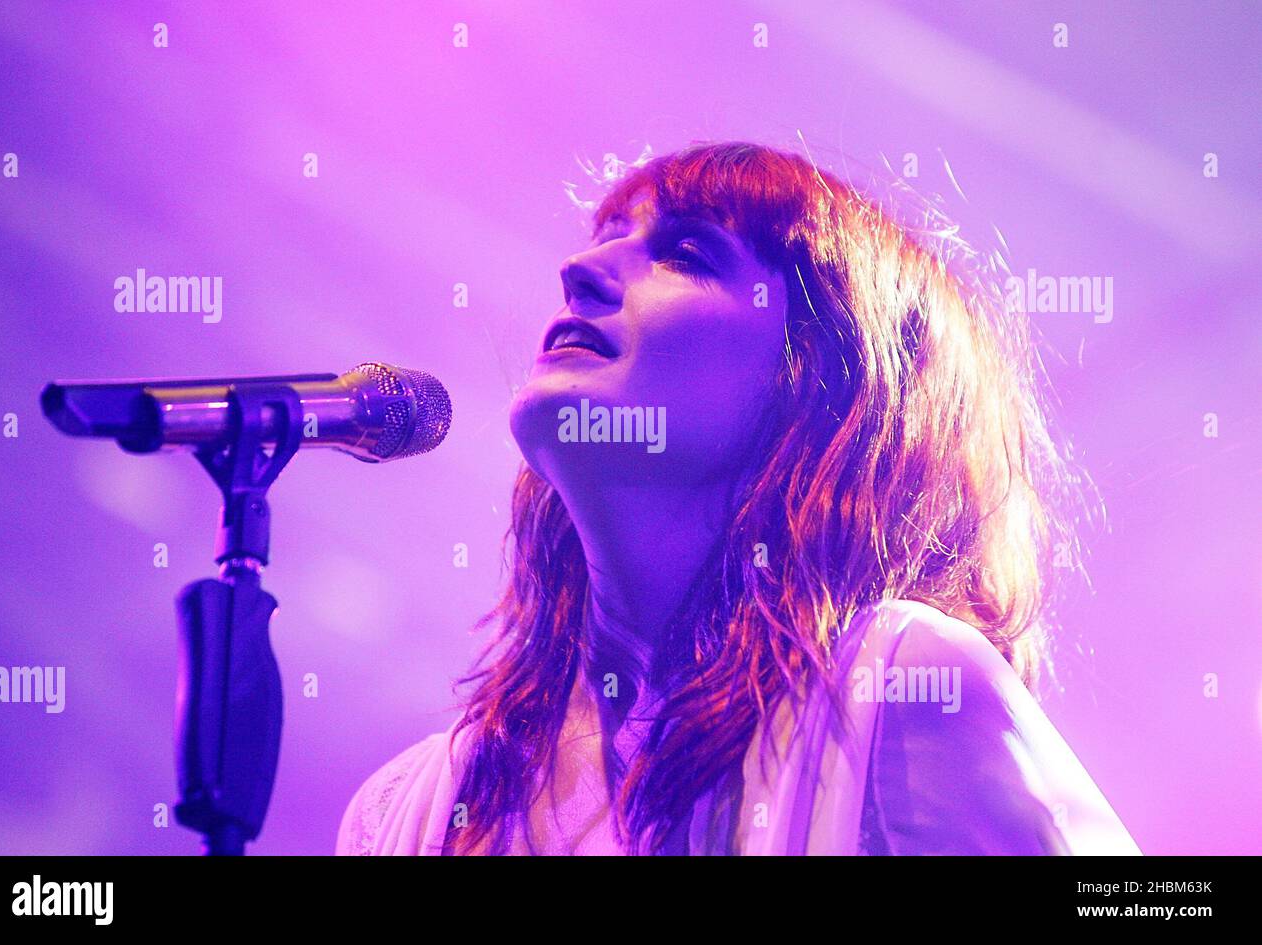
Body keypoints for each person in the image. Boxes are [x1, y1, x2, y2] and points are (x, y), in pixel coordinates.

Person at [336, 141, 1141, 856]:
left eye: (685, 251)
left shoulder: (898, 686)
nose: (578, 272)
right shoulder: (404, 811)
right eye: (604, 239)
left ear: (824, 379)